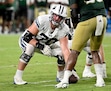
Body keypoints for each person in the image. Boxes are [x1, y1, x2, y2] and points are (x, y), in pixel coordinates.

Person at [13, 4, 78, 85]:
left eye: (60, 17)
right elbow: (27, 37)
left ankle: (60, 76)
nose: (57, 18)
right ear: (52, 14)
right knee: (30, 48)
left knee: (61, 52)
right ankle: (17, 77)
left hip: (46, 43)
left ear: (63, 19)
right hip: (29, 42)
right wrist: (41, 46)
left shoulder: (64, 29)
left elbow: (65, 50)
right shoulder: (42, 20)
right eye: (55, 15)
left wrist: (70, 69)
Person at [55, 0, 107, 88]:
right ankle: (100, 80)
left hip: (88, 18)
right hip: (103, 18)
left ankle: (64, 80)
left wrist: (76, 25)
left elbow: (74, 11)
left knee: (74, 51)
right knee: (94, 50)